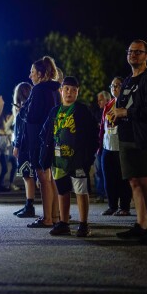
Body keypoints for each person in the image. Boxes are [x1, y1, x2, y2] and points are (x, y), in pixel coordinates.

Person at [108, 39, 147, 245]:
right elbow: (121, 108)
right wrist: (116, 115)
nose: (133, 55)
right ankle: (141, 225)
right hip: (126, 136)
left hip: (144, 137)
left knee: (146, 181)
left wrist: (126, 112)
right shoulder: (127, 81)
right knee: (134, 181)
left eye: (138, 52)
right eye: (130, 51)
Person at [43, 77, 98, 237]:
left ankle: (83, 224)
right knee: (62, 191)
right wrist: (45, 156)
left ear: (77, 92)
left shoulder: (82, 110)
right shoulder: (54, 111)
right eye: (66, 89)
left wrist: (88, 156)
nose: (69, 92)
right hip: (59, 160)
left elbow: (93, 134)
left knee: (81, 191)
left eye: (74, 90)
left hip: (77, 160)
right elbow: (46, 135)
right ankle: (64, 223)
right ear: (61, 90)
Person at [23, 56, 62, 228]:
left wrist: (23, 111)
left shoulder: (38, 90)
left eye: (32, 72)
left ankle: (47, 218)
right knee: (51, 178)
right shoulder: (55, 90)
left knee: (43, 178)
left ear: (40, 74)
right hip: (51, 137)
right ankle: (55, 215)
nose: (30, 75)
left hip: (39, 138)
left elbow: (32, 116)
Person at [99, 77, 132, 216]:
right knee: (108, 177)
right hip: (108, 146)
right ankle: (112, 205)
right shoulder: (109, 104)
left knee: (123, 179)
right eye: (112, 85)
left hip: (121, 146)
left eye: (118, 85)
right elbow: (102, 126)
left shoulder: (127, 103)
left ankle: (124, 207)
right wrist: (99, 146)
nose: (114, 88)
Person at [12, 82, 35, 216]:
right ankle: (28, 204)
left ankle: (29, 206)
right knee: (28, 176)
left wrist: (16, 146)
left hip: (24, 148)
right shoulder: (30, 108)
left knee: (27, 176)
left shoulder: (23, 111)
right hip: (29, 146)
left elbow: (20, 131)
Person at [93, 91, 111, 203]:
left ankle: (109, 194)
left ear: (107, 100)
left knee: (107, 171)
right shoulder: (98, 113)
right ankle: (100, 194)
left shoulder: (111, 112)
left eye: (101, 100)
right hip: (99, 145)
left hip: (108, 145)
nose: (98, 102)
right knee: (98, 171)